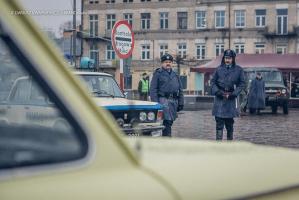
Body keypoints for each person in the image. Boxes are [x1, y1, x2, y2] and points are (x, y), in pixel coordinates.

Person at [211, 49, 245, 140]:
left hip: (231, 98)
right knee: (219, 123)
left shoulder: (239, 70)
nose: (227, 60)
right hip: (220, 98)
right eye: (226, 58)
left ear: (233, 59)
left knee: (229, 124)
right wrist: (217, 92)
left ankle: (229, 144)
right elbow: (213, 82)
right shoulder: (218, 69)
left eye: (229, 58)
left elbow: (242, 83)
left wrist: (235, 94)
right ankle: (218, 143)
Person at [150, 53, 184, 137]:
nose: (168, 63)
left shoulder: (175, 75)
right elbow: (153, 90)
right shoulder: (158, 74)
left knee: (170, 121)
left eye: (169, 62)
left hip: (174, 102)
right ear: (162, 63)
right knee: (167, 121)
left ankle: (165, 138)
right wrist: (156, 103)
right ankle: (167, 139)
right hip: (163, 101)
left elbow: (180, 89)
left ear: (172, 63)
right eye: (166, 62)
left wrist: (181, 102)